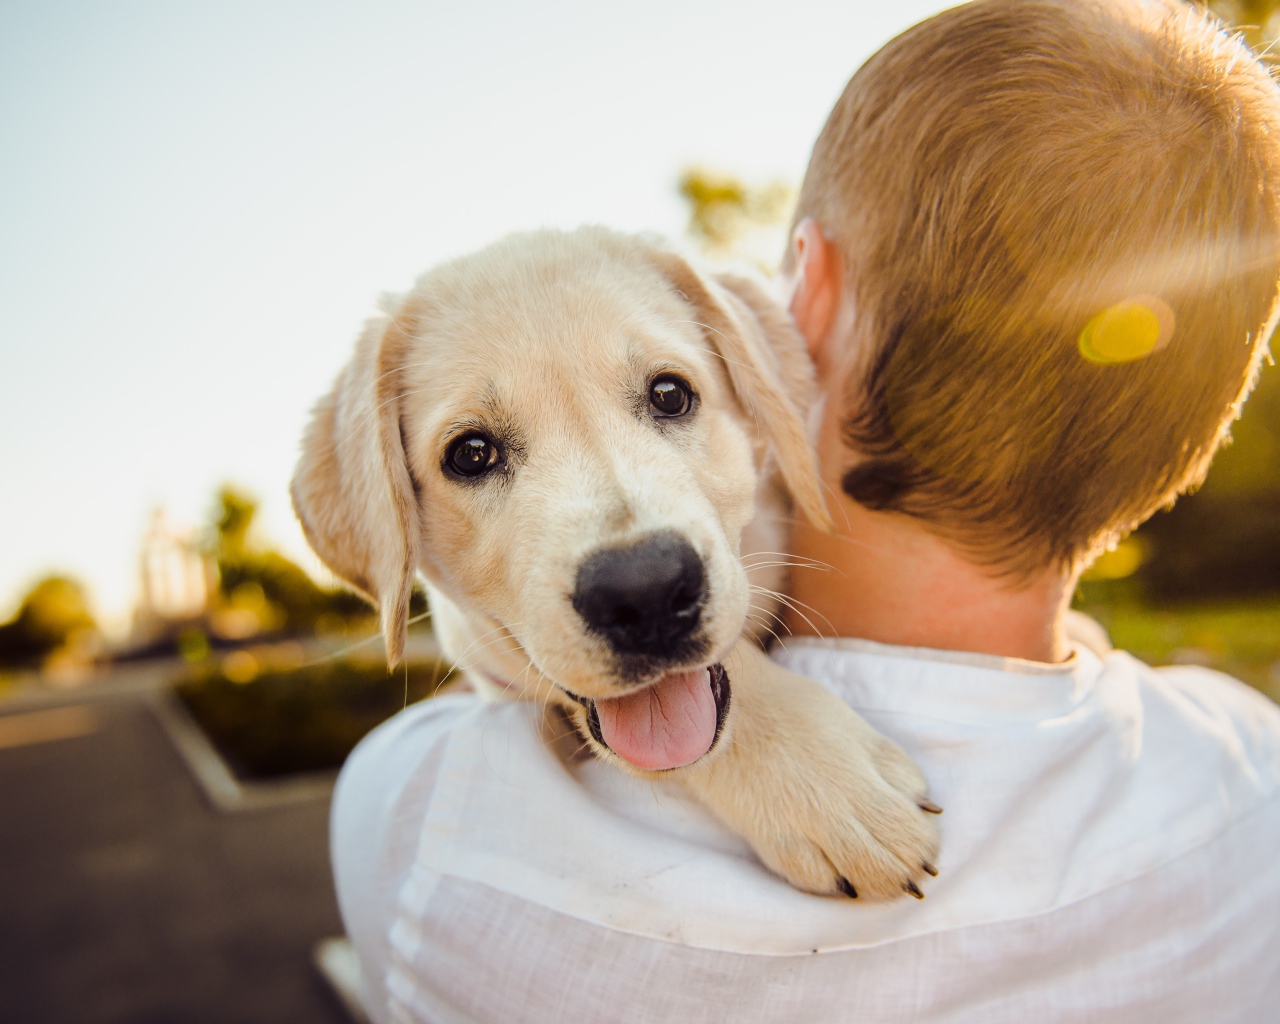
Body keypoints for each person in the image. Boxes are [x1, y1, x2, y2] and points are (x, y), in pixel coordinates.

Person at [329, 1, 1280, 1020]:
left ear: (801, 303)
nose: (632, 555)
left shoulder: (424, 820)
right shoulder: (1246, 773)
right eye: (475, 453)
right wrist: (745, 720)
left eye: (666, 396)